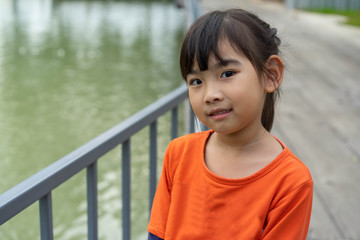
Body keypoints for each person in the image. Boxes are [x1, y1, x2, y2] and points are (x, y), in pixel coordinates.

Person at [148, 8, 313, 240]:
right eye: (196, 81)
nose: (210, 95)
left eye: (227, 74)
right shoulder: (178, 153)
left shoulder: (291, 181)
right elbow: (157, 234)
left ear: (270, 75)